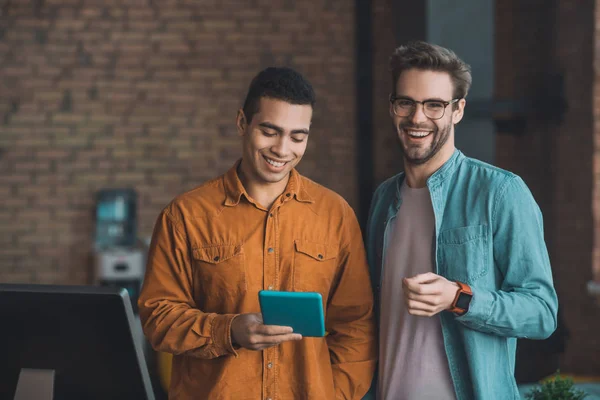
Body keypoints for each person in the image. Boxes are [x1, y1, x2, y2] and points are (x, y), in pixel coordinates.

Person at [139, 66, 377, 400]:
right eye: (269, 131)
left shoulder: (335, 215)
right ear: (242, 123)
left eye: (298, 136)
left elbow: (356, 325)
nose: (282, 149)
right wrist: (228, 330)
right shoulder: (185, 216)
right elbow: (158, 317)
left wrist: (332, 394)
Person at [365, 41, 558, 400]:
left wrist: (460, 297)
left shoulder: (501, 192)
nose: (417, 118)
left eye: (434, 105)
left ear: (458, 110)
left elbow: (542, 312)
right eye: (405, 102)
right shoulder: (381, 200)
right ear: (393, 108)